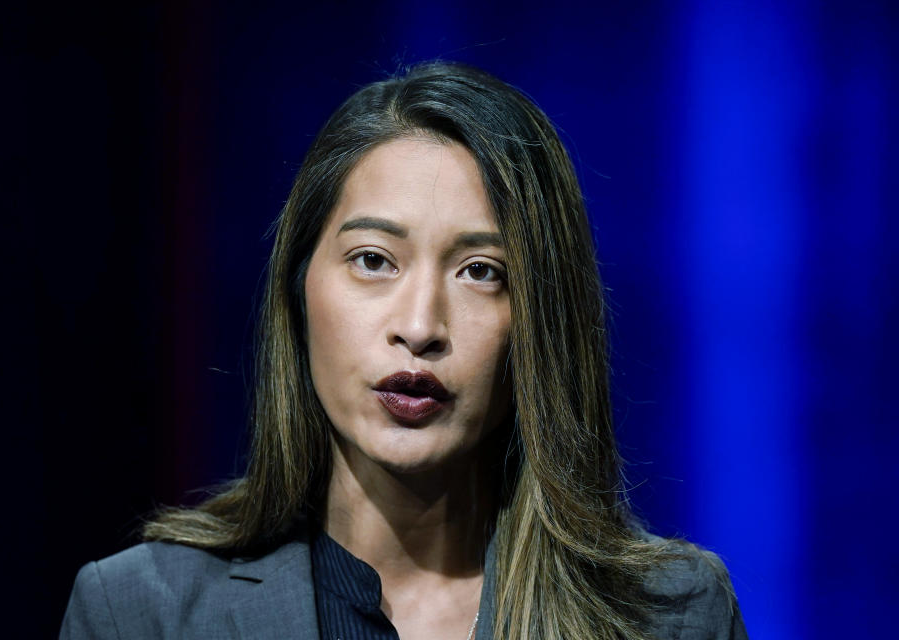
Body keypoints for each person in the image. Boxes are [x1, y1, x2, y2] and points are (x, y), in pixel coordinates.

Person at [60, 62, 747, 640]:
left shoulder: (673, 615)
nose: (419, 325)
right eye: (373, 260)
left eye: (482, 271)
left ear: (543, 321)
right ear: (299, 291)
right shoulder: (142, 612)